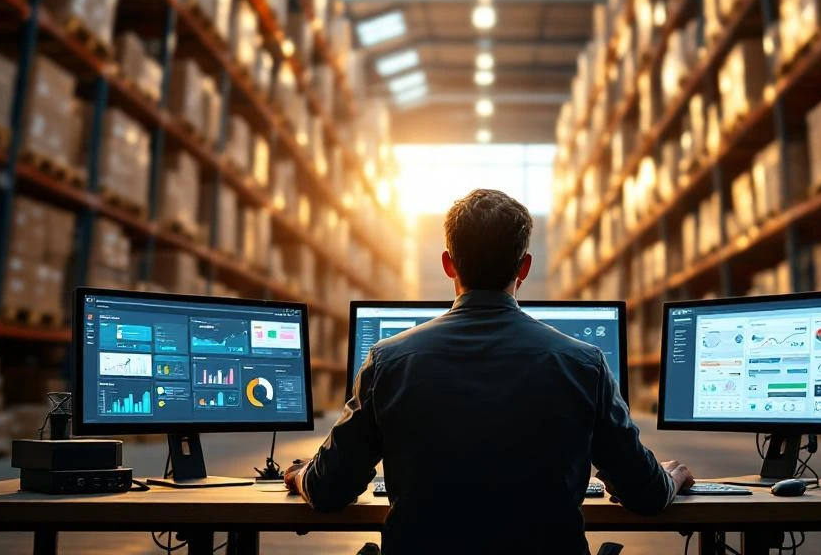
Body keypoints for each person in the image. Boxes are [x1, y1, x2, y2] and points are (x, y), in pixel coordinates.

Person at [286, 189, 693, 553]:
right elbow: (646, 495)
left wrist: (302, 475)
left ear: (448, 264)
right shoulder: (584, 364)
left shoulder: (387, 361)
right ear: (524, 267)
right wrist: (670, 478)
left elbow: (329, 490)